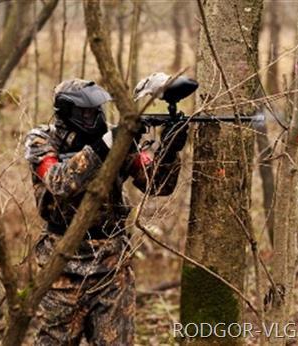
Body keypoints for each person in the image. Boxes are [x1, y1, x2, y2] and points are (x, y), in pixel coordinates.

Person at [24, 78, 188, 345]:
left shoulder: (116, 141)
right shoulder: (42, 139)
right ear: (67, 111)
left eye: (96, 111)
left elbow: (156, 185)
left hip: (112, 265)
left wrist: (169, 151)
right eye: (86, 112)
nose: (94, 117)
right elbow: (60, 182)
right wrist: (108, 144)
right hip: (62, 265)